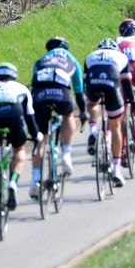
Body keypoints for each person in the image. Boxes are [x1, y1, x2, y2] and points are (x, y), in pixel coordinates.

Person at [0, 63, 41, 222]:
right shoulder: (21, 89)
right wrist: (35, 135)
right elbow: (30, 119)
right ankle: (12, 182)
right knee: (19, 150)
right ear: (14, 76)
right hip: (13, 117)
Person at [29, 37, 86, 199]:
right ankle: (66, 154)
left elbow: (35, 85)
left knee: (41, 140)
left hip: (39, 96)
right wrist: (82, 112)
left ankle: (35, 180)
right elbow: (79, 91)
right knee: (68, 115)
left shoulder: (40, 61)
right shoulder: (71, 59)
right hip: (61, 93)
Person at [84, 39, 134, 187]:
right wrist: (131, 100)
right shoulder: (121, 57)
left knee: (92, 104)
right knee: (116, 125)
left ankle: (93, 130)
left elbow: (85, 81)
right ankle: (116, 169)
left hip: (93, 80)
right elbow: (126, 83)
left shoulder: (90, 56)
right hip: (112, 81)